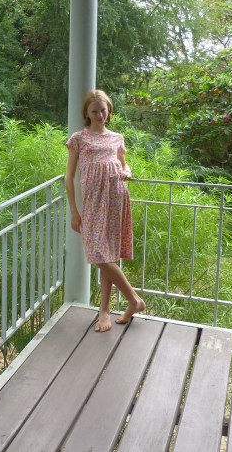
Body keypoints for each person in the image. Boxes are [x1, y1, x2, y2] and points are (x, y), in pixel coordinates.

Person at [65, 89, 146, 332]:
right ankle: (134, 300)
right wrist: (74, 211)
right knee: (99, 254)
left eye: (103, 110)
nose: (99, 115)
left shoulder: (117, 138)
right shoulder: (79, 138)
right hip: (93, 203)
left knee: (107, 255)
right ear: (86, 113)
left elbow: (124, 165)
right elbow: (69, 177)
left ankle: (104, 312)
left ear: (109, 111)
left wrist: (128, 172)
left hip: (116, 198)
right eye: (94, 111)